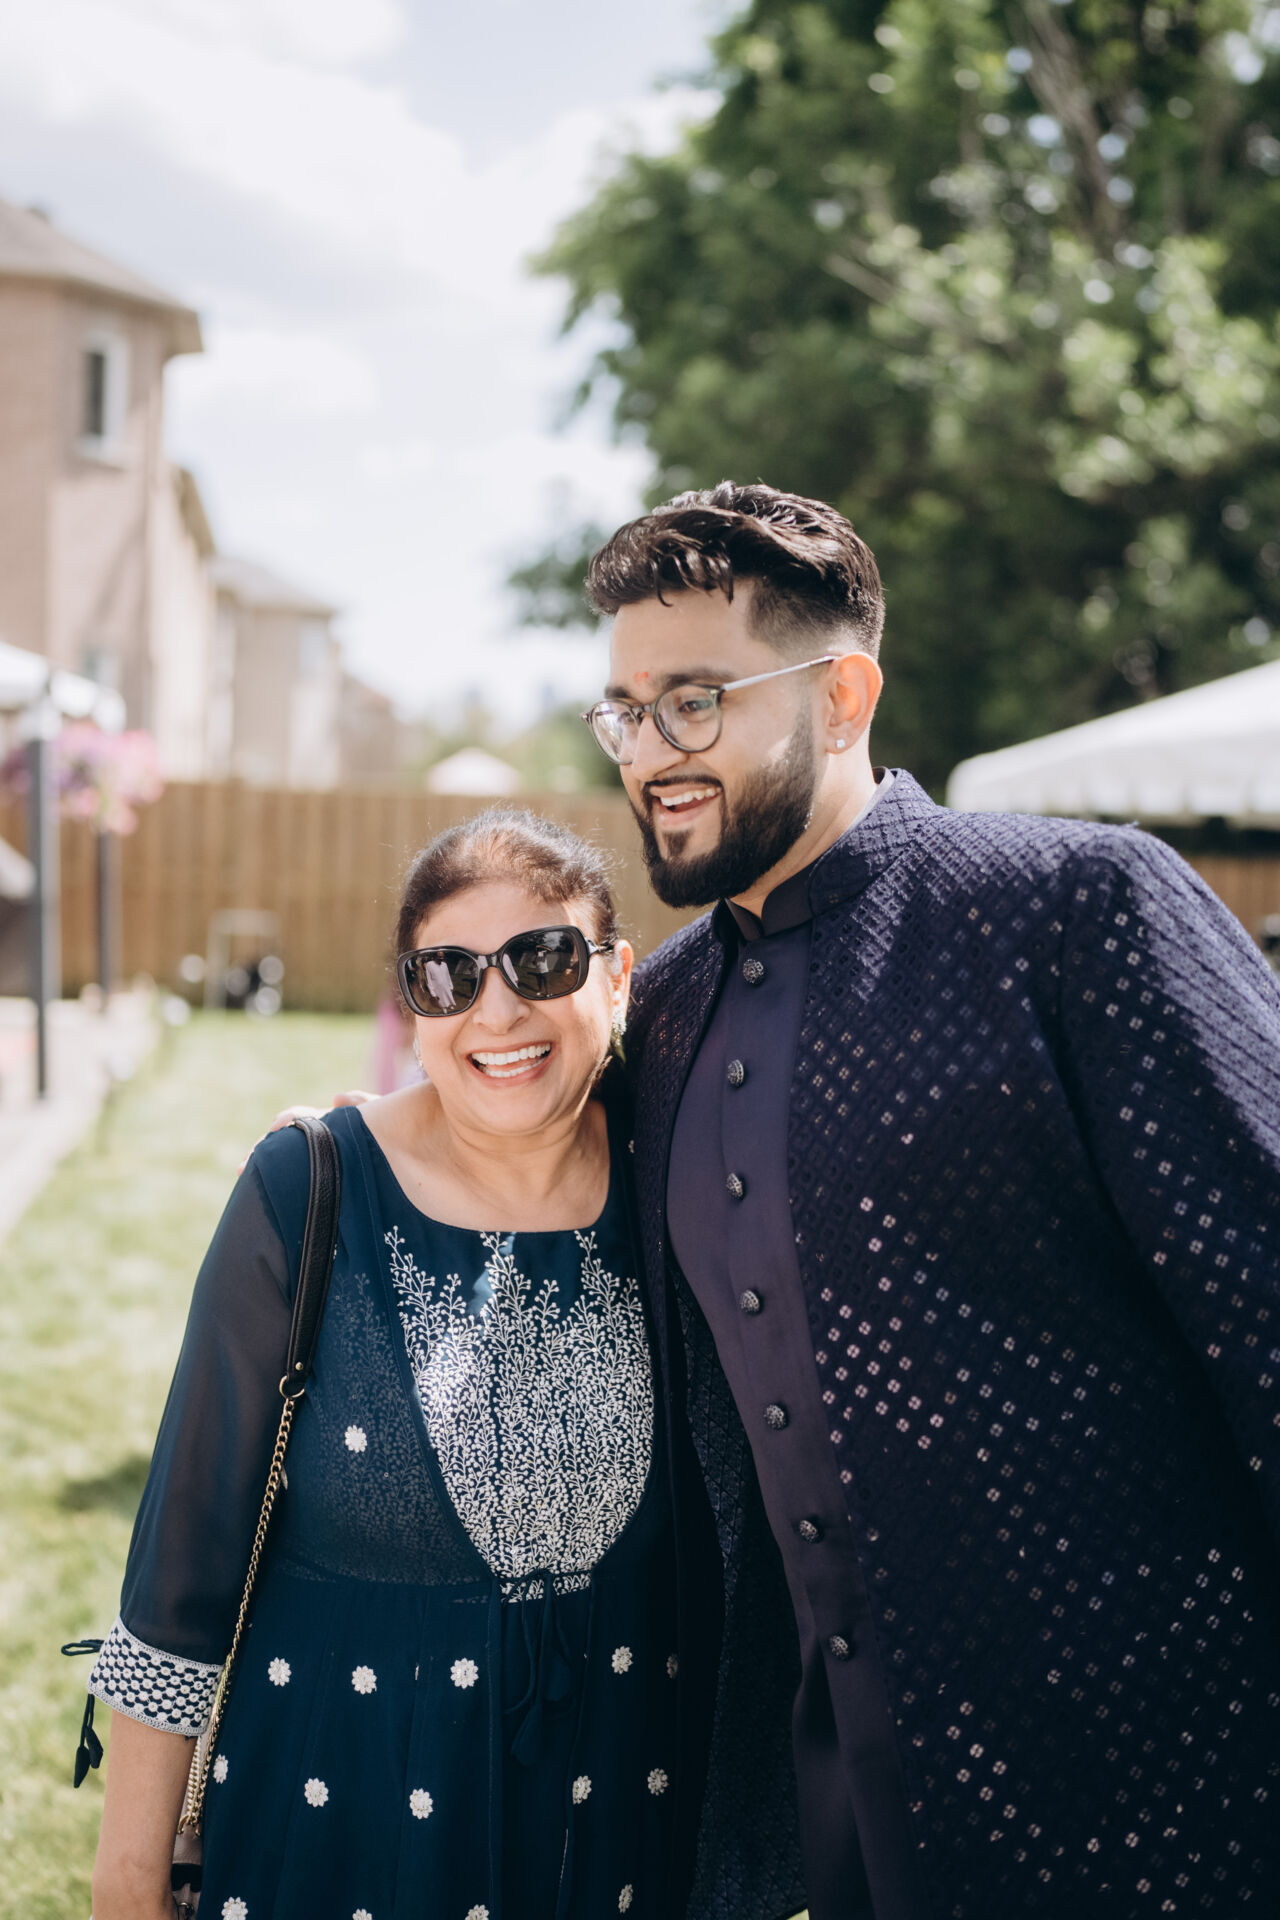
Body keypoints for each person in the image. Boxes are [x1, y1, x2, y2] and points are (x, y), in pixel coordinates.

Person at [264, 484, 1280, 1919]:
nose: (651, 755)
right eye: (626, 714)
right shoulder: (667, 1013)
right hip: (825, 1825)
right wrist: (365, 1142)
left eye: (695, 702)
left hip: (1163, 1808)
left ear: (843, 695)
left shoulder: (1075, 911)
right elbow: (520, 1137)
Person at [84, 811, 756, 1920]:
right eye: (445, 976)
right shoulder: (308, 1189)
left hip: (619, 1833)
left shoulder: (681, 1180)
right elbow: (181, 1566)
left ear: (619, 975)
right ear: (410, 1008)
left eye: (544, 960)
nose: (496, 1010)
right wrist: (125, 1877)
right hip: (334, 1817)